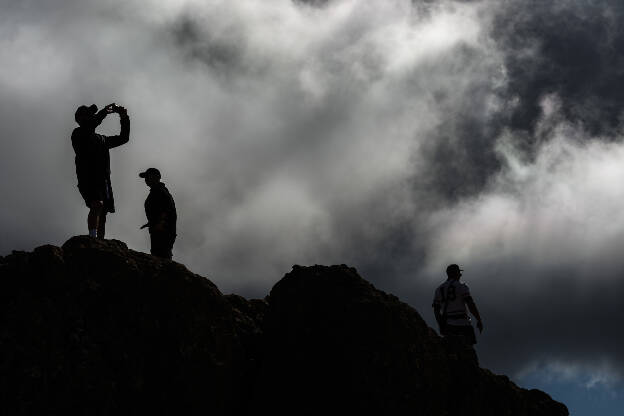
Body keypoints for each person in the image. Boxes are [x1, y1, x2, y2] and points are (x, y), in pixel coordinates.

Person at [71, 103, 130, 238]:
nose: (87, 118)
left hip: (103, 180)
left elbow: (124, 138)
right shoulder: (78, 133)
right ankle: (93, 237)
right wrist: (104, 112)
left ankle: (100, 241)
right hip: (87, 177)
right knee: (97, 205)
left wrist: (124, 117)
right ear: (79, 119)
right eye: (84, 116)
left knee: (103, 212)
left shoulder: (102, 139)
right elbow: (90, 125)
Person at [432, 264, 483, 345]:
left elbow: (436, 310)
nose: (460, 275)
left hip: (448, 326)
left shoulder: (438, 290)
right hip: (463, 324)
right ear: (455, 273)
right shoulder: (462, 286)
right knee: (467, 352)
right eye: (459, 272)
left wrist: (441, 324)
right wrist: (479, 320)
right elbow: (471, 305)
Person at [139, 168, 177, 259]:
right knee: (160, 254)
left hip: (162, 231)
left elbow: (167, 209)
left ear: (157, 177)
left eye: (148, 176)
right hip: (160, 229)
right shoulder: (158, 190)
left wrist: (161, 223)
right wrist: (151, 223)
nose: (146, 179)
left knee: (161, 255)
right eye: (145, 177)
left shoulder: (159, 191)